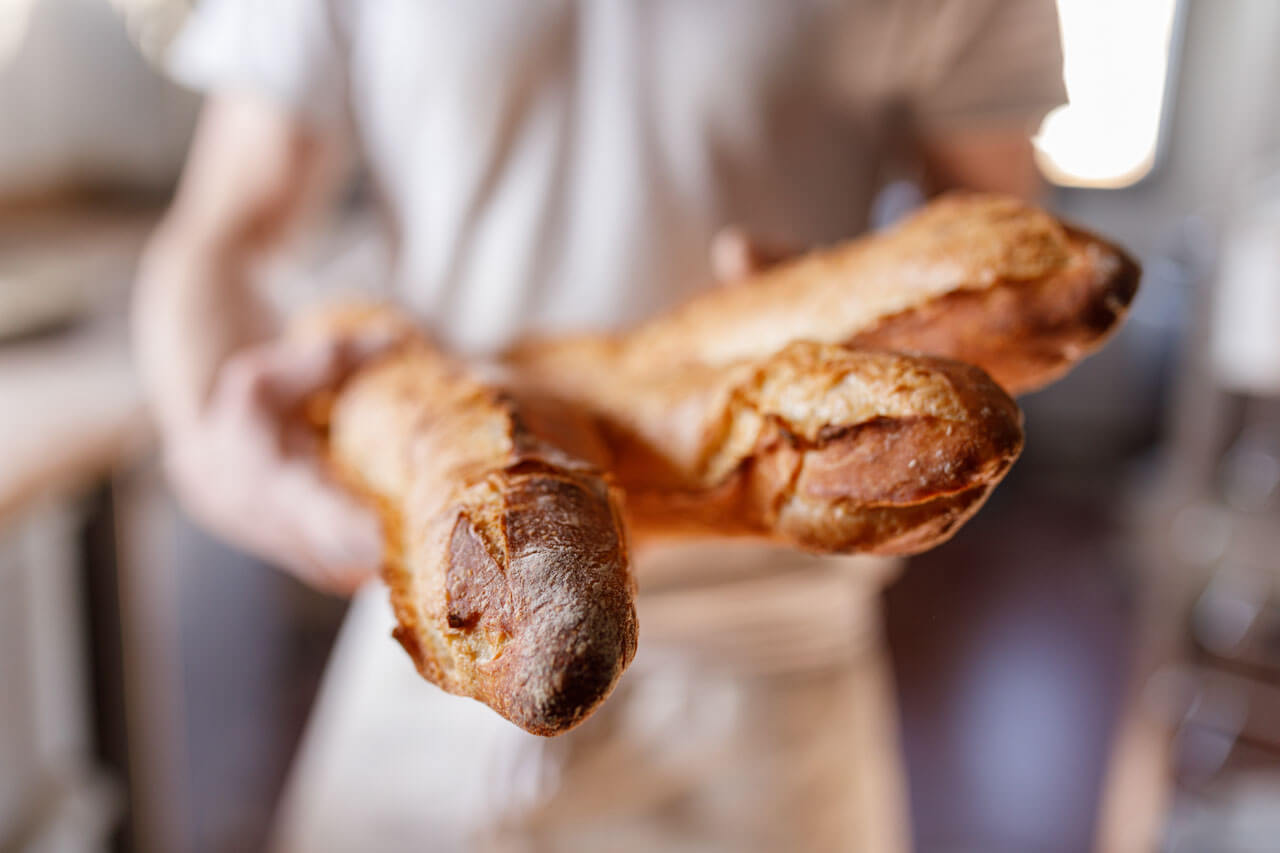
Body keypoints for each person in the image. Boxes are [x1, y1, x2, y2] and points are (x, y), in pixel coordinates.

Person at [134, 1, 1066, 849]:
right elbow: (226, 228)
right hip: (454, 610)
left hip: (768, 669)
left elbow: (1003, 252)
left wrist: (864, 307)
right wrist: (205, 437)